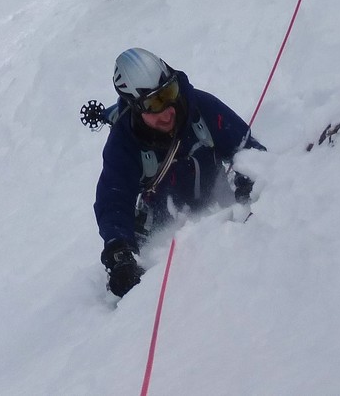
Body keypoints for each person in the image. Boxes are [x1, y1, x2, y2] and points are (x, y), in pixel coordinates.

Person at [93, 48, 261, 298]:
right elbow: (114, 201)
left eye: (169, 93)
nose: (167, 111)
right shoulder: (123, 144)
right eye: (153, 104)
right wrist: (119, 253)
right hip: (162, 236)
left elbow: (247, 149)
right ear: (134, 107)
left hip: (220, 215)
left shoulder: (200, 108)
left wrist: (247, 177)